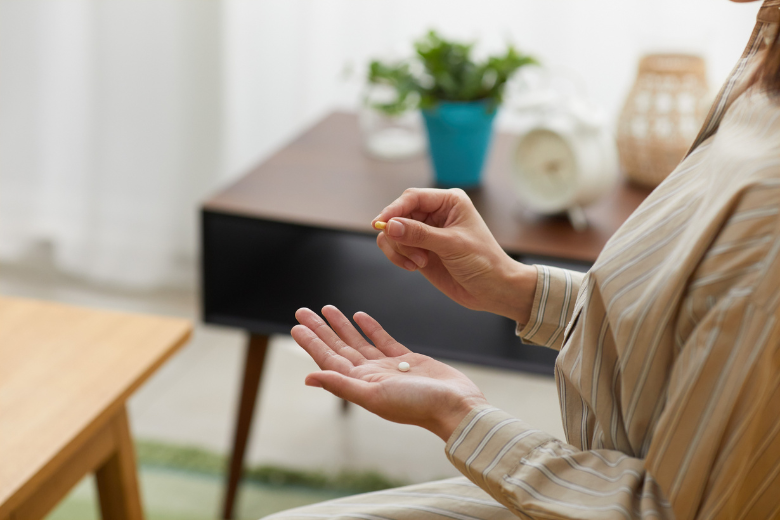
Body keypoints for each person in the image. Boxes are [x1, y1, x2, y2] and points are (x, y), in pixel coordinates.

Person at [272, 1, 780, 518]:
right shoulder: (765, 67)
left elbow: (669, 510)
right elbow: (694, 320)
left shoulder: (770, 202)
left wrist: (458, 415)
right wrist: (517, 287)